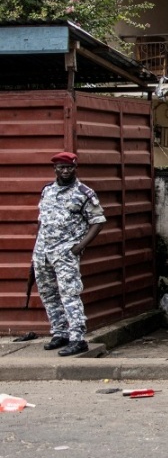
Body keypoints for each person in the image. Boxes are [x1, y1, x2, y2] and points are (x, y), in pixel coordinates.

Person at [32, 152, 106, 356]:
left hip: (65, 252)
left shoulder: (83, 192)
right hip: (43, 251)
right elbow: (42, 222)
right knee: (48, 293)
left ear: (75, 168)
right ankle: (60, 332)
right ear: (55, 169)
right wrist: (35, 252)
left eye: (69, 168)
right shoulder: (47, 190)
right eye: (61, 168)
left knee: (69, 294)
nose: (65, 171)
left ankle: (77, 338)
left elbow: (98, 221)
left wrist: (79, 246)